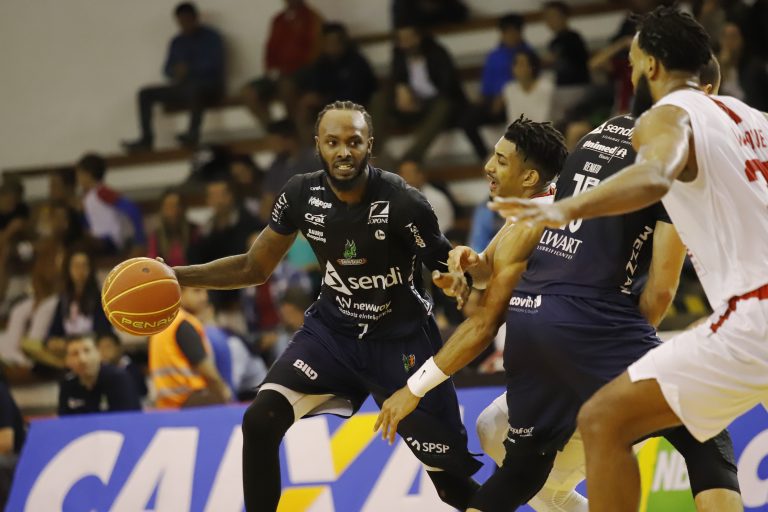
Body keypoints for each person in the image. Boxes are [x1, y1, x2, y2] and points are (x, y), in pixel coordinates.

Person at [378, 108, 743, 511]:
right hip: (569, 349)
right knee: (501, 438)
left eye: (500, 160)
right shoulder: (536, 211)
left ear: (530, 177)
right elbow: (488, 280)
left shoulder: (545, 214)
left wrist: (415, 387)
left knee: (520, 460)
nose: (488, 168)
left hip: (576, 350)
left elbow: (485, 322)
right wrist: (472, 268)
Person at [491, 11, 766, 507]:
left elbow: (654, 175)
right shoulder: (752, 120)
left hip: (754, 315)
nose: (632, 73)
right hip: (749, 315)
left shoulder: (666, 114)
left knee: (605, 420)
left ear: (652, 67)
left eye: (634, 63)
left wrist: (564, 208)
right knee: (699, 437)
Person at [169, 101, 483, 511]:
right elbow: (254, 267)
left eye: (354, 141)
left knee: (452, 488)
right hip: (332, 334)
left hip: (401, 342)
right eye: (333, 142)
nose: (344, 151)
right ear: (318, 145)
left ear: (370, 145)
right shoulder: (299, 193)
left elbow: (447, 262)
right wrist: (175, 276)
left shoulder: (404, 202)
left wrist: (456, 276)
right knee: (260, 420)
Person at [123, 2, 225, 151]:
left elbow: (215, 65)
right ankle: (146, 139)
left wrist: (189, 69)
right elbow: (167, 70)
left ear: (195, 18)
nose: (184, 25)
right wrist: (175, 71)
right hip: (183, 87)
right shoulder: (177, 42)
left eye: (187, 20)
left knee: (195, 90)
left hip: (208, 87)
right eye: (181, 21)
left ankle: (192, 134)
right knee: (145, 94)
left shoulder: (212, 38)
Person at [371, 24, 466, 163]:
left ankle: (412, 158)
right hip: (409, 106)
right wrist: (401, 89)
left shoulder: (437, 53)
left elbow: (448, 88)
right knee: (379, 98)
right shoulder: (399, 55)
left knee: (444, 105)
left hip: (434, 105)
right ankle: (372, 150)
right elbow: (395, 79)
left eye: (410, 38)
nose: (406, 43)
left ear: (420, 37)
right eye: (402, 39)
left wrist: (419, 101)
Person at [240, 0, 323, 129]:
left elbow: (315, 52)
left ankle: (294, 127)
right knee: (248, 92)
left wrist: (293, 69)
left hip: (303, 72)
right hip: (278, 73)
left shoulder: (313, 19)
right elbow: (270, 49)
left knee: (286, 86)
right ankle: (273, 128)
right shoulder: (278, 20)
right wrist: (271, 70)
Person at [461, 13, 533, 160]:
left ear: (520, 32)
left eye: (514, 31)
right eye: (507, 32)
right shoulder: (494, 55)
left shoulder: (527, 55)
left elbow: (526, 82)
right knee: (467, 120)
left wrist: (504, 97)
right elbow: (486, 86)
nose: (510, 36)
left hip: (515, 100)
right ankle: (484, 157)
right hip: (492, 100)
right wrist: (481, 101)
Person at [148, 286, 231, 409]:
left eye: (205, 292)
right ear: (179, 293)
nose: (204, 297)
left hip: (168, 406)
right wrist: (223, 390)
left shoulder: (161, 323)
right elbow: (207, 370)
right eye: (197, 291)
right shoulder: (183, 323)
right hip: (192, 401)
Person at [295, 23, 377, 139]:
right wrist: (313, 98)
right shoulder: (322, 63)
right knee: (304, 106)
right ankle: (308, 144)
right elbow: (316, 87)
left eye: (335, 42)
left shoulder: (357, 63)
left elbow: (355, 94)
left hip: (355, 106)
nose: (331, 46)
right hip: (328, 105)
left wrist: (326, 99)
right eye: (327, 43)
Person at [75, 153, 146, 255]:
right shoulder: (87, 197)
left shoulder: (102, 192)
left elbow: (133, 210)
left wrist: (139, 241)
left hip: (110, 240)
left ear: (88, 174)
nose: (78, 179)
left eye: (79, 174)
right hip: (98, 239)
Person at [58, 335, 142, 415]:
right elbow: (64, 420)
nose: (82, 359)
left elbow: (131, 418)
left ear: (99, 353)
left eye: (87, 351)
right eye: (74, 354)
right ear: (66, 361)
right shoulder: (67, 384)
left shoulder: (119, 378)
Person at [542, 1, 591, 124]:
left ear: (564, 17)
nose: (550, 20)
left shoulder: (573, 38)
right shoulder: (553, 42)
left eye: (553, 16)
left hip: (576, 88)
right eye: (547, 17)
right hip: (562, 88)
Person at [397, 160, 455, 232]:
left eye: (409, 174)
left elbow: (441, 232)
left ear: (420, 175)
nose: (405, 178)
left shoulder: (437, 199)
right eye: (402, 173)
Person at [147, 188, 200, 267]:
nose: (172, 210)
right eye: (168, 206)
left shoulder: (194, 232)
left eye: (175, 205)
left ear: (182, 208)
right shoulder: (156, 236)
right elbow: (153, 263)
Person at [502, 51, 554, 124]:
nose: (518, 68)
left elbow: (544, 119)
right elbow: (513, 119)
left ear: (532, 67)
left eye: (522, 64)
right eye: (515, 64)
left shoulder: (546, 87)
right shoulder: (509, 88)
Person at [97, 334, 148, 399]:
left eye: (108, 347)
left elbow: (142, 394)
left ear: (118, 347)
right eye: (100, 348)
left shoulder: (132, 369)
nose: (104, 351)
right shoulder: (99, 371)